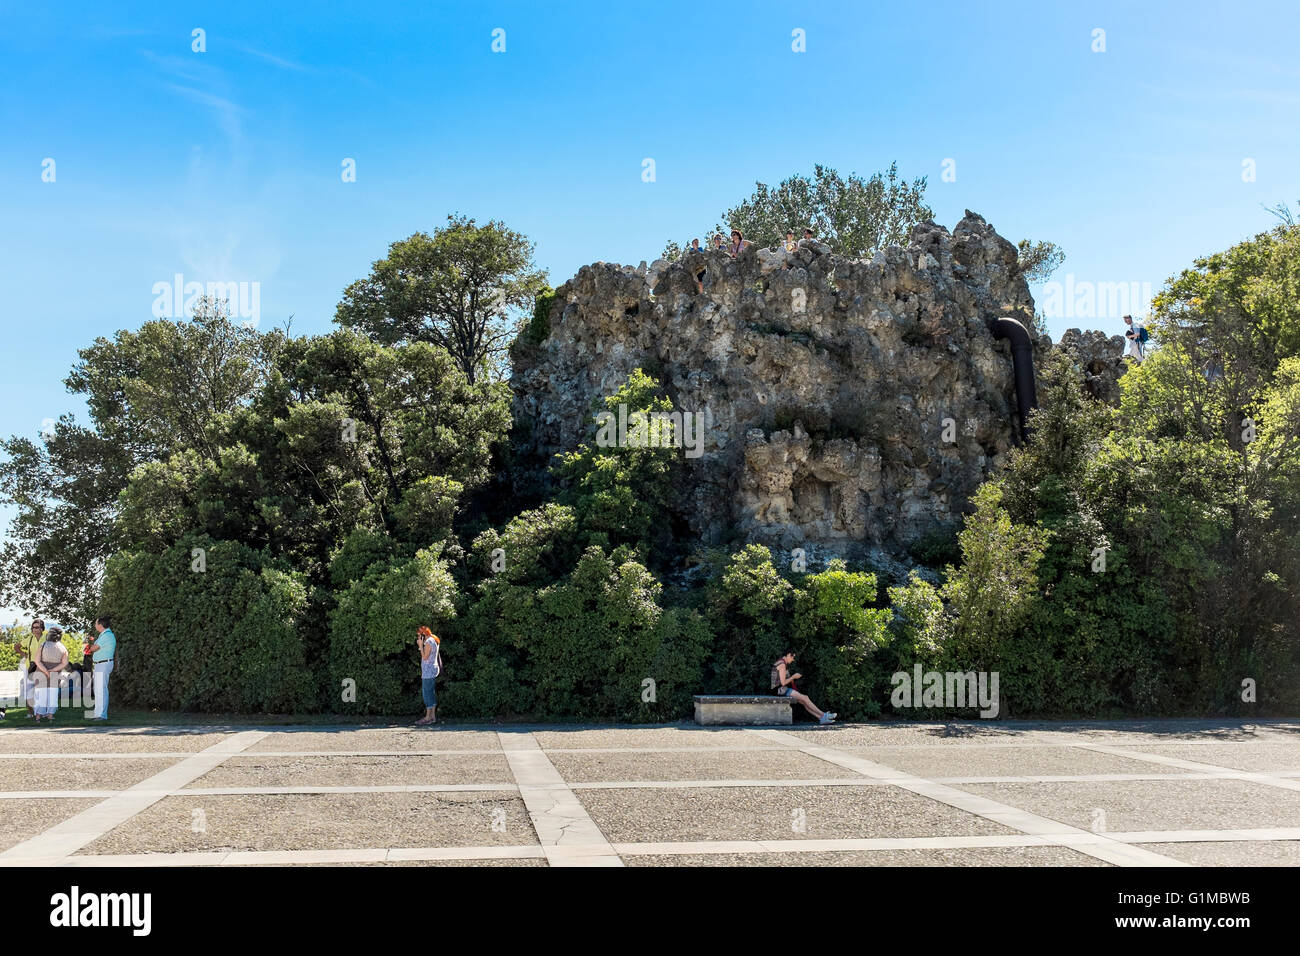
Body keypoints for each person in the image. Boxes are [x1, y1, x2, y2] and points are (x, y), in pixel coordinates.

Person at [771, 651, 836, 724]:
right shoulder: (782, 664)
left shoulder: (780, 662)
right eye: (793, 657)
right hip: (780, 690)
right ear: (789, 654)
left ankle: (821, 718)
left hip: (781, 690)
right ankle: (824, 715)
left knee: (804, 701)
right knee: (805, 698)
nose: (793, 660)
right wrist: (794, 677)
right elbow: (783, 683)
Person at [83, 616, 116, 721]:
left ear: (101, 625)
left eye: (96, 623)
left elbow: (94, 648)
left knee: (101, 690)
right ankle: (98, 713)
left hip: (103, 664)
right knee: (98, 690)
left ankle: (101, 715)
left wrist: (87, 644)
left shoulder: (107, 636)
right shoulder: (103, 635)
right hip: (100, 664)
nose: (95, 625)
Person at [33, 626, 68, 722]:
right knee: (52, 695)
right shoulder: (62, 647)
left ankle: (38, 716)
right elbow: (64, 663)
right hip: (55, 674)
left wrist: (45, 671)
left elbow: (37, 661)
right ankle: (50, 715)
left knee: (40, 694)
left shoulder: (43, 645)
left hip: (41, 672)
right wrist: (53, 670)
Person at [13, 619, 44, 718]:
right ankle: (30, 712)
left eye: (37, 627)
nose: (35, 629)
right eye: (33, 627)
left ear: (42, 628)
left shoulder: (47, 639)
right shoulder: (29, 639)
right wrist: (23, 654)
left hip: (43, 667)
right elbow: (16, 646)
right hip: (30, 667)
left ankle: (42, 712)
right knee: (29, 690)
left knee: (41, 691)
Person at [415, 626, 442, 726]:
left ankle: (427, 717)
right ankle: (432, 716)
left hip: (428, 671)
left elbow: (425, 657)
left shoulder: (429, 642)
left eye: (419, 636)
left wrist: (420, 646)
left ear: (423, 635)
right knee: (431, 692)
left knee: (427, 694)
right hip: (432, 670)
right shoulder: (434, 639)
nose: (418, 638)